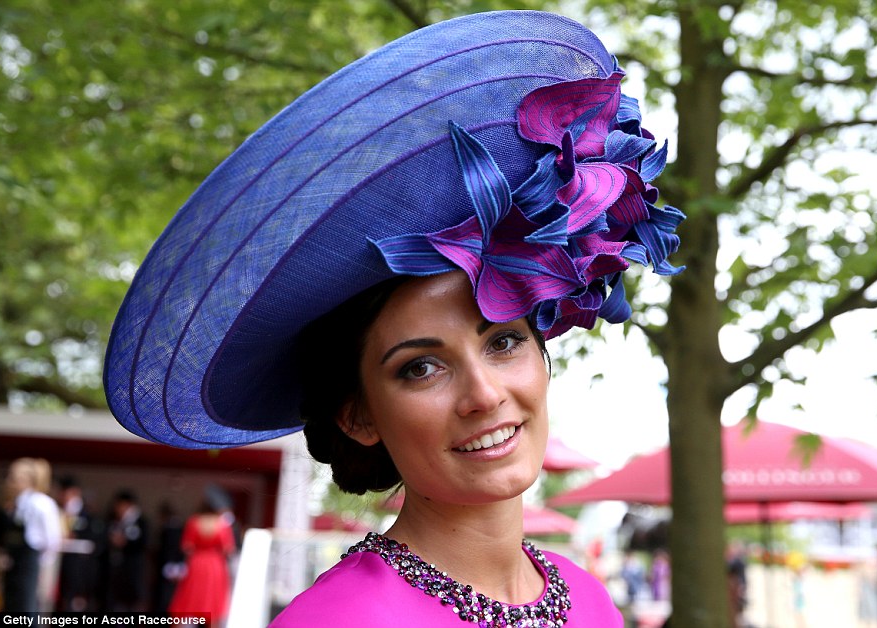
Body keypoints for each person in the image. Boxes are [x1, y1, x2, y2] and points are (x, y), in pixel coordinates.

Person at [103, 10, 684, 626]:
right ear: (357, 415)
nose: (485, 395)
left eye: (505, 341)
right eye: (422, 367)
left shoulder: (590, 599)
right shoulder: (336, 619)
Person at [0, 458, 62, 613]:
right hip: (14, 563)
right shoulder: (15, 504)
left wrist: (41, 566)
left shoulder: (41, 503)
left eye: (13, 479)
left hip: (31, 563)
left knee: (26, 608)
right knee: (10, 607)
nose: (9, 483)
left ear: (27, 480)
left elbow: (52, 540)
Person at [167, 490, 236, 627]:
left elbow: (186, 547)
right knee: (212, 602)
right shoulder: (223, 525)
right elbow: (229, 549)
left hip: (196, 564)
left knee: (190, 598)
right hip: (215, 566)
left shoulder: (194, 522)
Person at [56, 475, 105, 612]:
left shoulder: (88, 517)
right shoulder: (57, 512)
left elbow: (96, 545)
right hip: (58, 571)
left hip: (80, 573)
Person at [104, 490, 149, 612]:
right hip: (116, 572)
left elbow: (143, 543)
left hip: (133, 572)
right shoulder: (113, 521)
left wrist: (125, 542)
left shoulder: (140, 522)